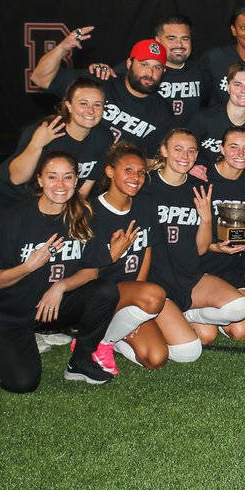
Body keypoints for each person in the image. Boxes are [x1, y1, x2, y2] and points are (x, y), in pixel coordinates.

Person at [0, 151, 122, 391]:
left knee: (105, 292)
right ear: (40, 180)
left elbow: (92, 271)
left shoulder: (82, 216)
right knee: (23, 383)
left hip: (47, 306)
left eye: (67, 177)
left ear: (76, 180)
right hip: (7, 314)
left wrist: (60, 286)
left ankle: (81, 361)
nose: (60, 185)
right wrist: (29, 266)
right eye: (52, 177)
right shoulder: (15, 219)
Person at [141, 128, 245, 344]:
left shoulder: (199, 189)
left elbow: (201, 249)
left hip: (188, 276)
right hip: (155, 280)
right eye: (178, 149)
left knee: (239, 308)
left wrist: (206, 218)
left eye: (191, 151)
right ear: (163, 150)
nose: (185, 156)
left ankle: (190, 314)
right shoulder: (146, 185)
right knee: (198, 343)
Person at [0, 76, 113, 241]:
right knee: (14, 253)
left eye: (97, 105)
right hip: (5, 199)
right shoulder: (47, 131)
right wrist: (36, 144)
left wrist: (73, 220)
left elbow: (83, 190)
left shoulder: (103, 138)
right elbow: (17, 179)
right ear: (68, 105)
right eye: (83, 103)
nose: (91, 111)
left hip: (44, 202)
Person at [82, 143, 170, 371]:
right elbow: (84, 272)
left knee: (156, 358)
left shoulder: (146, 204)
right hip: (97, 294)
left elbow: (147, 249)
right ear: (110, 172)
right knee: (154, 295)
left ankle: (111, 335)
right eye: (128, 170)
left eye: (141, 172)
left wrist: (136, 297)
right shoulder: (90, 212)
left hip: (129, 293)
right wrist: (111, 254)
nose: (136, 177)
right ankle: (97, 342)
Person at [31, 34, 172, 151]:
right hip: (68, 166)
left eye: (157, 68)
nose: (150, 73)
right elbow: (40, 78)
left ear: (164, 71)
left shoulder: (163, 112)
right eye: (144, 64)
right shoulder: (101, 80)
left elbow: (149, 160)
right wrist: (62, 47)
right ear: (129, 63)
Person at [200, 127, 245, 338]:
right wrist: (214, 247)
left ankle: (221, 308)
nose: (241, 153)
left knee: (240, 332)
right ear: (221, 148)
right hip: (200, 266)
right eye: (234, 147)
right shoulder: (202, 177)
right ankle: (191, 310)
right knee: (205, 336)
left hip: (233, 267)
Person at [188, 62, 245, 166]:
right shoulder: (203, 119)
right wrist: (192, 167)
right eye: (237, 84)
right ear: (228, 87)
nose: (243, 91)